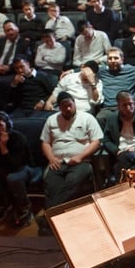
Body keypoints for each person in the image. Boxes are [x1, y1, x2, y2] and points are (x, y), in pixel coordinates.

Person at [39, 91, 103, 234]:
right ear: (59, 107)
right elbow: (45, 143)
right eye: (64, 106)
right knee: (52, 184)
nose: (68, 109)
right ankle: (57, 224)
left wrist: (80, 156)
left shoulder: (87, 118)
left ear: (74, 103)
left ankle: (47, 219)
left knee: (72, 182)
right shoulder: (51, 120)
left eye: (70, 105)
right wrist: (51, 158)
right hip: (57, 162)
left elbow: (96, 142)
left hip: (80, 162)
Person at [0, 110, 40, 229]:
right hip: (6, 166)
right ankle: (5, 203)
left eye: (0, 125)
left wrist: (3, 146)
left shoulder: (18, 138)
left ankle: (25, 208)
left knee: (12, 178)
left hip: (25, 167)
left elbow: (15, 165)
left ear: (7, 125)